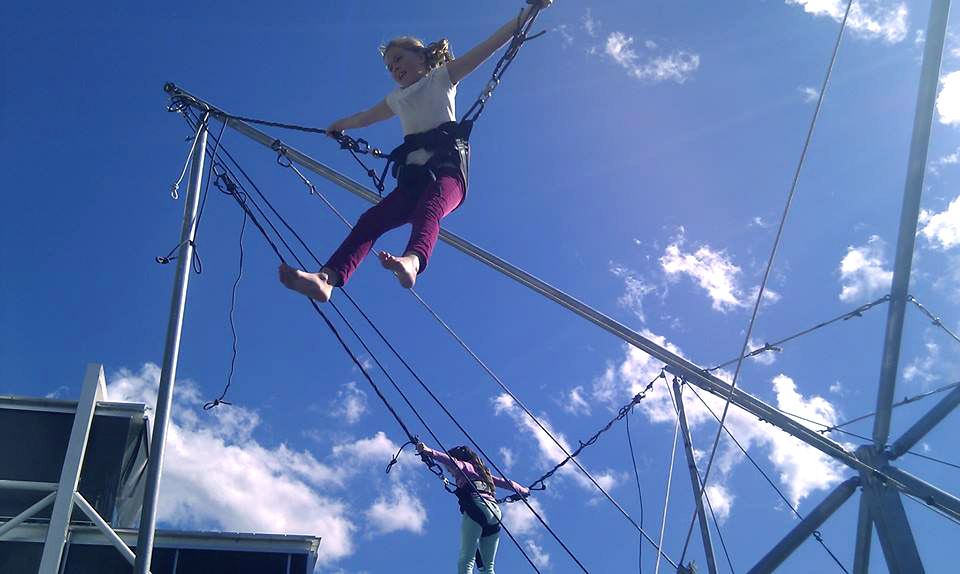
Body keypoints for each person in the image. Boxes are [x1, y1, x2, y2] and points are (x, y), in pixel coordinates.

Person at [279, 1, 553, 302]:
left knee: (431, 207)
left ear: (422, 57)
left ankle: (412, 261)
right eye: (390, 67)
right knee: (371, 220)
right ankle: (326, 278)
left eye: (398, 59)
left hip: (449, 173)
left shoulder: (442, 77)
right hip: (413, 179)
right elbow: (364, 117)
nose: (395, 68)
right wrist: (339, 125)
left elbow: (489, 46)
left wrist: (530, 12)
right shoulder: (396, 99)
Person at [417, 442, 530, 574]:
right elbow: (507, 483)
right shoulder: (485, 475)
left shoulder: (464, 466)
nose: (448, 471)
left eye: (448, 469)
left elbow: (451, 462)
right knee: (488, 567)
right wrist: (523, 490)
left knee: (466, 560)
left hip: (477, 507)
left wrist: (428, 451)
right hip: (495, 513)